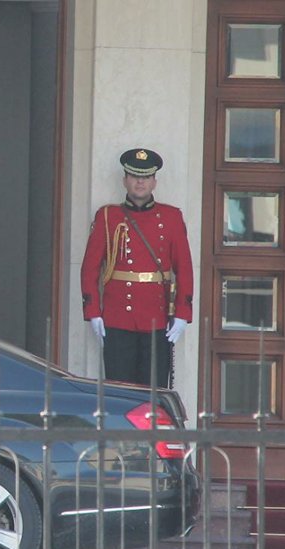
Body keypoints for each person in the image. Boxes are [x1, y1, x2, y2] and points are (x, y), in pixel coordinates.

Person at [79, 148, 194, 387]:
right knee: (119, 390)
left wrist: (183, 313)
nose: (139, 182)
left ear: (154, 181)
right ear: (124, 180)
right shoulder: (108, 217)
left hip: (157, 317)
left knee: (153, 392)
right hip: (118, 316)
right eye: (134, 176)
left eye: (145, 177)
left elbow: (185, 269)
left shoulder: (171, 217)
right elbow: (90, 268)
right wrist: (93, 312)